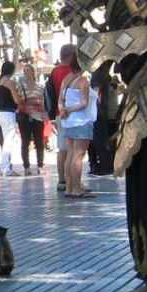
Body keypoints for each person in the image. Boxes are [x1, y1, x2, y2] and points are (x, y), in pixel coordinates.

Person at [58, 69, 97, 198]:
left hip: (69, 122)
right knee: (78, 156)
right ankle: (76, 188)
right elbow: (84, 103)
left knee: (70, 154)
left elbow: (60, 101)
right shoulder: (83, 81)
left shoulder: (66, 79)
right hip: (82, 120)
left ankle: (69, 188)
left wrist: (64, 111)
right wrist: (69, 110)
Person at [47, 46, 78, 186]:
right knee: (73, 150)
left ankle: (62, 179)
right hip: (72, 112)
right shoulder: (71, 72)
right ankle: (72, 181)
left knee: (62, 148)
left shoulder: (54, 72)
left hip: (59, 113)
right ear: (72, 56)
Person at [0, 62, 22, 177]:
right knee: (9, 140)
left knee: (7, 139)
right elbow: (16, 100)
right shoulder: (9, 82)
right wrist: (20, 99)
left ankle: (5, 166)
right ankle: (5, 167)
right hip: (9, 113)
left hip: (0, 113)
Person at [17, 62, 47, 175]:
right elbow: (17, 101)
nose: (27, 73)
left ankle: (40, 165)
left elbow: (43, 101)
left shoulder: (40, 86)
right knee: (25, 142)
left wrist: (44, 113)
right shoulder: (20, 86)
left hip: (38, 116)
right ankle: (26, 167)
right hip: (24, 116)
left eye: (29, 71)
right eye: (25, 71)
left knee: (39, 142)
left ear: (33, 72)